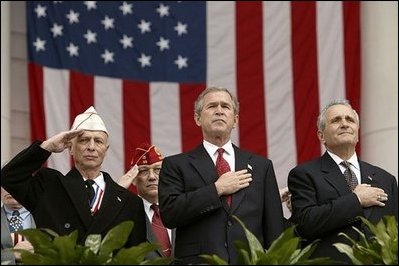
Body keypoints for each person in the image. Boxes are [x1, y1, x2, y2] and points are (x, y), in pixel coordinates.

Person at [158, 87, 285, 264]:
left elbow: (274, 229)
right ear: (197, 118)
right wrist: (216, 189)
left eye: (225, 106)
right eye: (211, 106)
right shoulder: (176, 165)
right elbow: (170, 215)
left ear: (235, 120)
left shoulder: (261, 166)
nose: (219, 110)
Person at [1, 106, 146, 248]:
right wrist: (47, 146)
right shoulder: (49, 186)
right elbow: (9, 177)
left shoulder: (130, 202)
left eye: (98, 141)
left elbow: (136, 256)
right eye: (84, 140)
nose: (91, 147)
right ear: (70, 147)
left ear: (106, 150)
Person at [288, 99, 398, 263]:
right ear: (321, 135)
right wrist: (356, 200)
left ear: (357, 131)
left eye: (350, 120)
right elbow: (306, 224)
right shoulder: (304, 174)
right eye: (336, 120)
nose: (345, 124)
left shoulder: (386, 179)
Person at [117, 142, 175, 258]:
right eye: (144, 171)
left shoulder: (179, 208)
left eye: (158, 170)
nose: (152, 177)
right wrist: (116, 191)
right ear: (133, 179)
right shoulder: (124, 213)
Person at [1, 187, 35, 265]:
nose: (9, 189)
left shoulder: (49, 216)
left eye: (13, 184)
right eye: (4, 185)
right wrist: (12, 255)